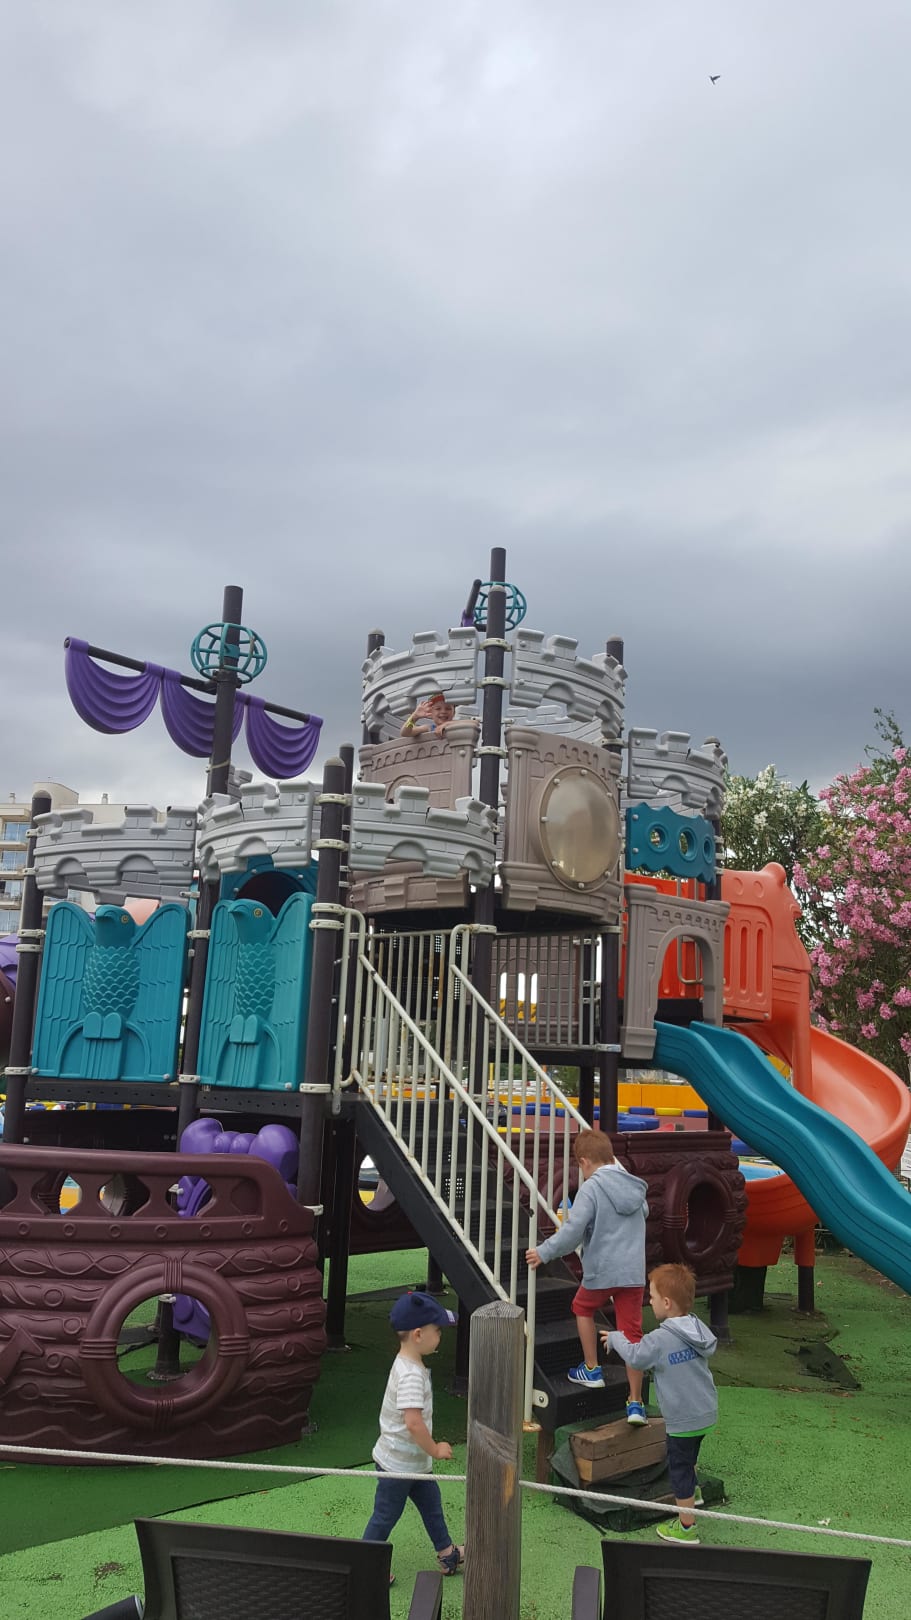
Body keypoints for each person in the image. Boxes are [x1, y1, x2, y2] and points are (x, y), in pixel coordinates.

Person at [525, 1128, 649, 1422]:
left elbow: (572, 1232)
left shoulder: (591, 1189)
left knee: (582, 1307)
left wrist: (544, 1252)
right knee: (632, 1334)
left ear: (583, 1162)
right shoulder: (633, 1186)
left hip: (603, 1269)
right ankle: (636, 1402)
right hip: (633, 1272)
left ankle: (592, 1368)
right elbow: (643, 1212)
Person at [603, 1262, 718, 1546]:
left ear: (666, 1303)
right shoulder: (697, 1327)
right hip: (705, 1411)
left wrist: (616, 1338)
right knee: (689, 1455)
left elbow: (636, 1357)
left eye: (652, 1296)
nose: (649, 1301)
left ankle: (686, 1527)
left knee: (678, 1468)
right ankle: (693, 1494)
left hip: (682, 1417)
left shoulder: (660, 1339)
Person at [363, 1290, 465, 1582]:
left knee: (432, 1504)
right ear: (418, 1335)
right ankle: (365, 1565)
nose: (441, 1335)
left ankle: (446, 1552)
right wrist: (435, 1449)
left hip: (414, 1463)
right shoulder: (410, 1375)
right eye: (438, 1330)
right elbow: (413, 1423)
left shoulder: (410, 1365)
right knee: (385, 1516)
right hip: (397, 1465)